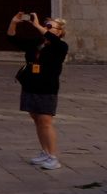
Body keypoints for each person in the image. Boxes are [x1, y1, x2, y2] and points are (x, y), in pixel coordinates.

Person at [6, 11, 67, 169]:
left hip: (47, 88)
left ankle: (53, 157)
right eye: (47, 26)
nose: (47, 29)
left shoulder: (61, 46)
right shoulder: (36, 43)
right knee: (36, 119)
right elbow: (11, 38)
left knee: (46, 121)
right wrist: (13, 23)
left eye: (51, 27)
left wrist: (38, 25)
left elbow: (52, 39)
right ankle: (45, 152)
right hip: (31, 85)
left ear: (59, 32)